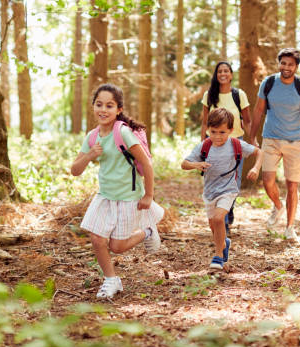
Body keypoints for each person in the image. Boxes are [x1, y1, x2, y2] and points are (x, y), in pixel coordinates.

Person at [71, 83, 164, 300]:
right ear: (93, 106)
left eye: (109, 106)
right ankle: (111, 280)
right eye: (99, 104)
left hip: (128, 197)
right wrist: (89, 155)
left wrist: (148, 196)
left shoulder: (122, 132)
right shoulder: (92, 136)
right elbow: (75, 170)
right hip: (105, 196)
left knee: (118, 246)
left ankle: (148, 230)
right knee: (96, 239)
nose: (103, 110)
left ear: (118, 110)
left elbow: (146, 164)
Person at [249, 48, 300, 242]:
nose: (286, 67)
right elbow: (257, 111)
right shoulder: (269, 83)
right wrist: (252, 137)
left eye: (290, 64)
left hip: (295, 142)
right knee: (267, 180)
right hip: (270, 138)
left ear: (296, 66)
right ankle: (277, 206)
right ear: (279, 63)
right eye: (283, 63)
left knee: (292, 186)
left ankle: (290, 228)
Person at [182, 108, 262, 270]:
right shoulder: (204, 146)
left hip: (228, 190)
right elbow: (184, 164)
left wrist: (255, 168)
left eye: (222, 132)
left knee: (219, 219)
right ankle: (223, 242)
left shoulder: (236, 144)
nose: (217, 136)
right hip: (209, 193)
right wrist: (196, 164)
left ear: (231, 131)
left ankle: (218, 256)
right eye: (213, 132)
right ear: (207, 130)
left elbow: (259, 152)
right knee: (213, 226)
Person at [200, 61, 252, 233]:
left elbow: (248, 120)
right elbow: (204, 122)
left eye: (226, 71)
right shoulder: (209, 95)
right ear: (216, 75)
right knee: (214, 180)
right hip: (213, 144)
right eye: (220, 71)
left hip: (235, 143)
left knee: (233, 182)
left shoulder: (239, 95)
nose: (223, 74)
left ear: (231, 74)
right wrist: (203, 146)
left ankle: (226, 218)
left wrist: (252, 142)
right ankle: (219, 217)